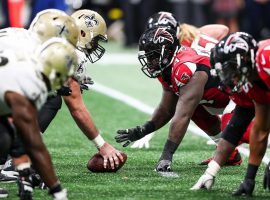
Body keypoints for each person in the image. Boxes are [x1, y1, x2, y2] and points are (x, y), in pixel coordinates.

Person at [115, 25, 235, 172]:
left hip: (240, 94)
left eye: (153, 56)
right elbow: (167, 109)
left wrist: (167, 155)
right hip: (222, 96)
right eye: (147, 56)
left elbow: (182, 115)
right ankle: (230, 154)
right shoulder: (167, 66)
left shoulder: (185, 67)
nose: (149, 61)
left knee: (251, 132)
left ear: (168, 52)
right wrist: (143, 130)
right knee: (192, 105)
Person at [31, 9, 124, 169]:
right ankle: (19, 154)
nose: (95, 46)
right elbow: (76, 107)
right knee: (52, 99)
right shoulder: (72, 53)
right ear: (82, 32)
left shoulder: (44, 37)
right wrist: (102, 145)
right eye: (95, 40)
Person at [191, 32, 270, 197]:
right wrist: (248, 178)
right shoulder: (250, 80)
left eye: (230, 69)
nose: (229, 77)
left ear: (244, 58)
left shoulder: (266, 60)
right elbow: (260, 130)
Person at [0, 37, 77, 199]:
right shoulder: (28, 86)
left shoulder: (27, 63)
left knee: (6, 135)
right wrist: (57, 190)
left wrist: (23, 170)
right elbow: (34, 145)